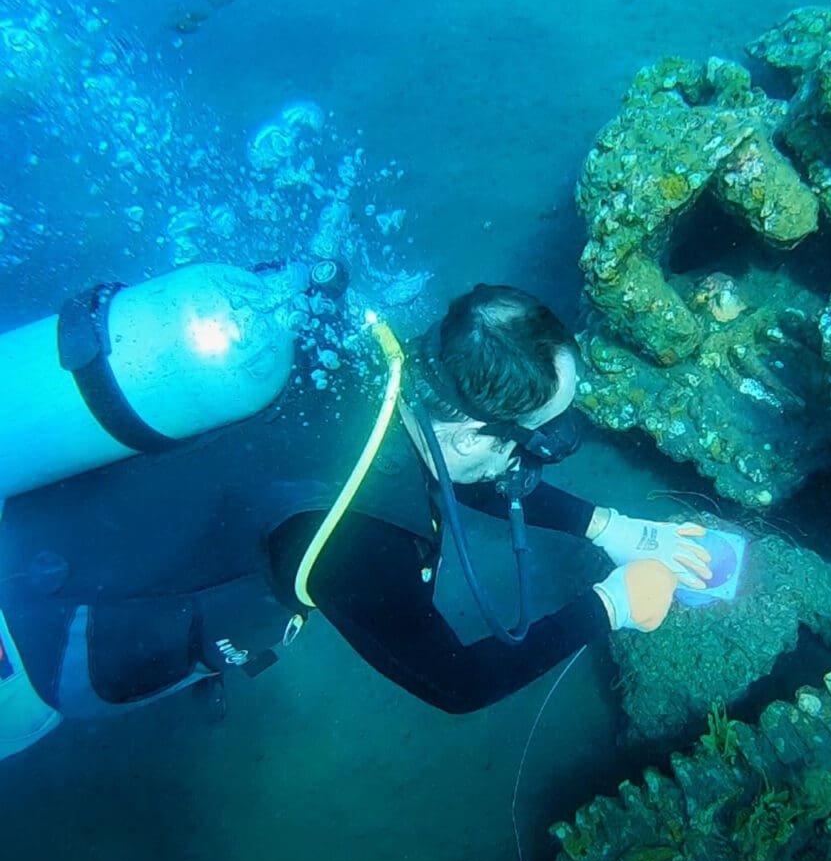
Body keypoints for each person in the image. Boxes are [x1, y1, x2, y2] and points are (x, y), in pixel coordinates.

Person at [0, 283, 715, 760]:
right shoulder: (355, 543)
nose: (540, 460)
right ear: (472, 428)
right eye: (540, 442)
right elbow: (456, 684)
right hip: (34, 641)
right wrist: (608, 607)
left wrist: (612, 527)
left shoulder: (364, 351)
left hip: (47, 506)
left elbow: (443, 466)